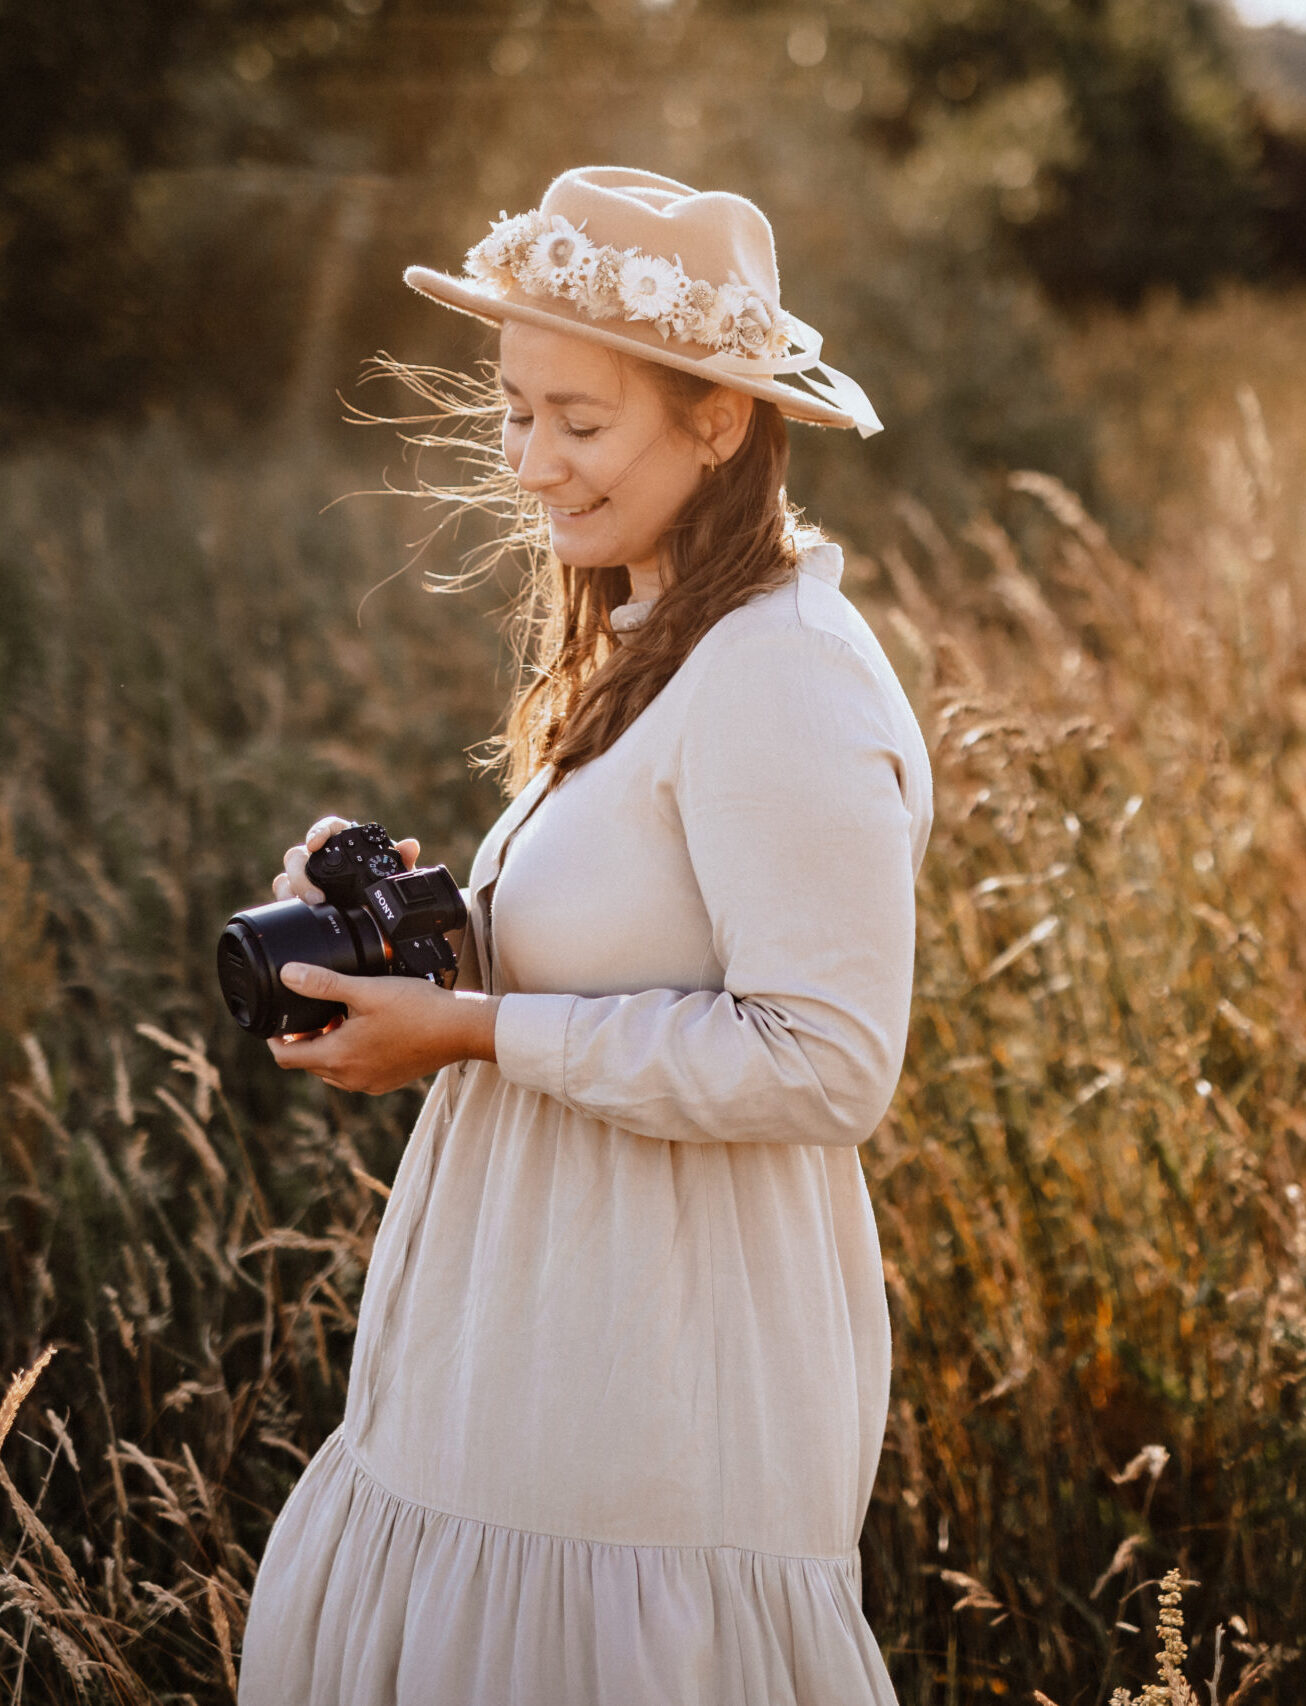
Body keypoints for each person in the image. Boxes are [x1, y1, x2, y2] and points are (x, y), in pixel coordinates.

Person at [236, 165, 932, 1706]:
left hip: (659, 1370)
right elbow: (642, 944)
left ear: (720, 418)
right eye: (514, 409)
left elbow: (827, 1064)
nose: (530, 462)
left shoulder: (782, 672)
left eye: (581, 419)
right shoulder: (653, 632)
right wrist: (432, 942)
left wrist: (474, 1031)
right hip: (534, 1327)